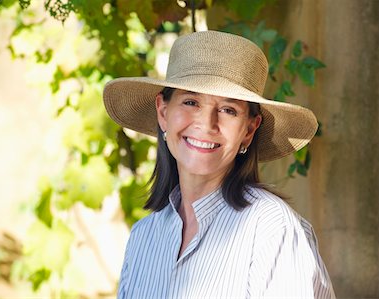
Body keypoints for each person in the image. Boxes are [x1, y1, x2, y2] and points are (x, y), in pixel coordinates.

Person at [103, 31, 336, 298]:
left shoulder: (271, 229)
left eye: (228, 110)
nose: (207, 124)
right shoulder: (143, 238)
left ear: (249, 129)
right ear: (163, 113)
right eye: (191, 102)